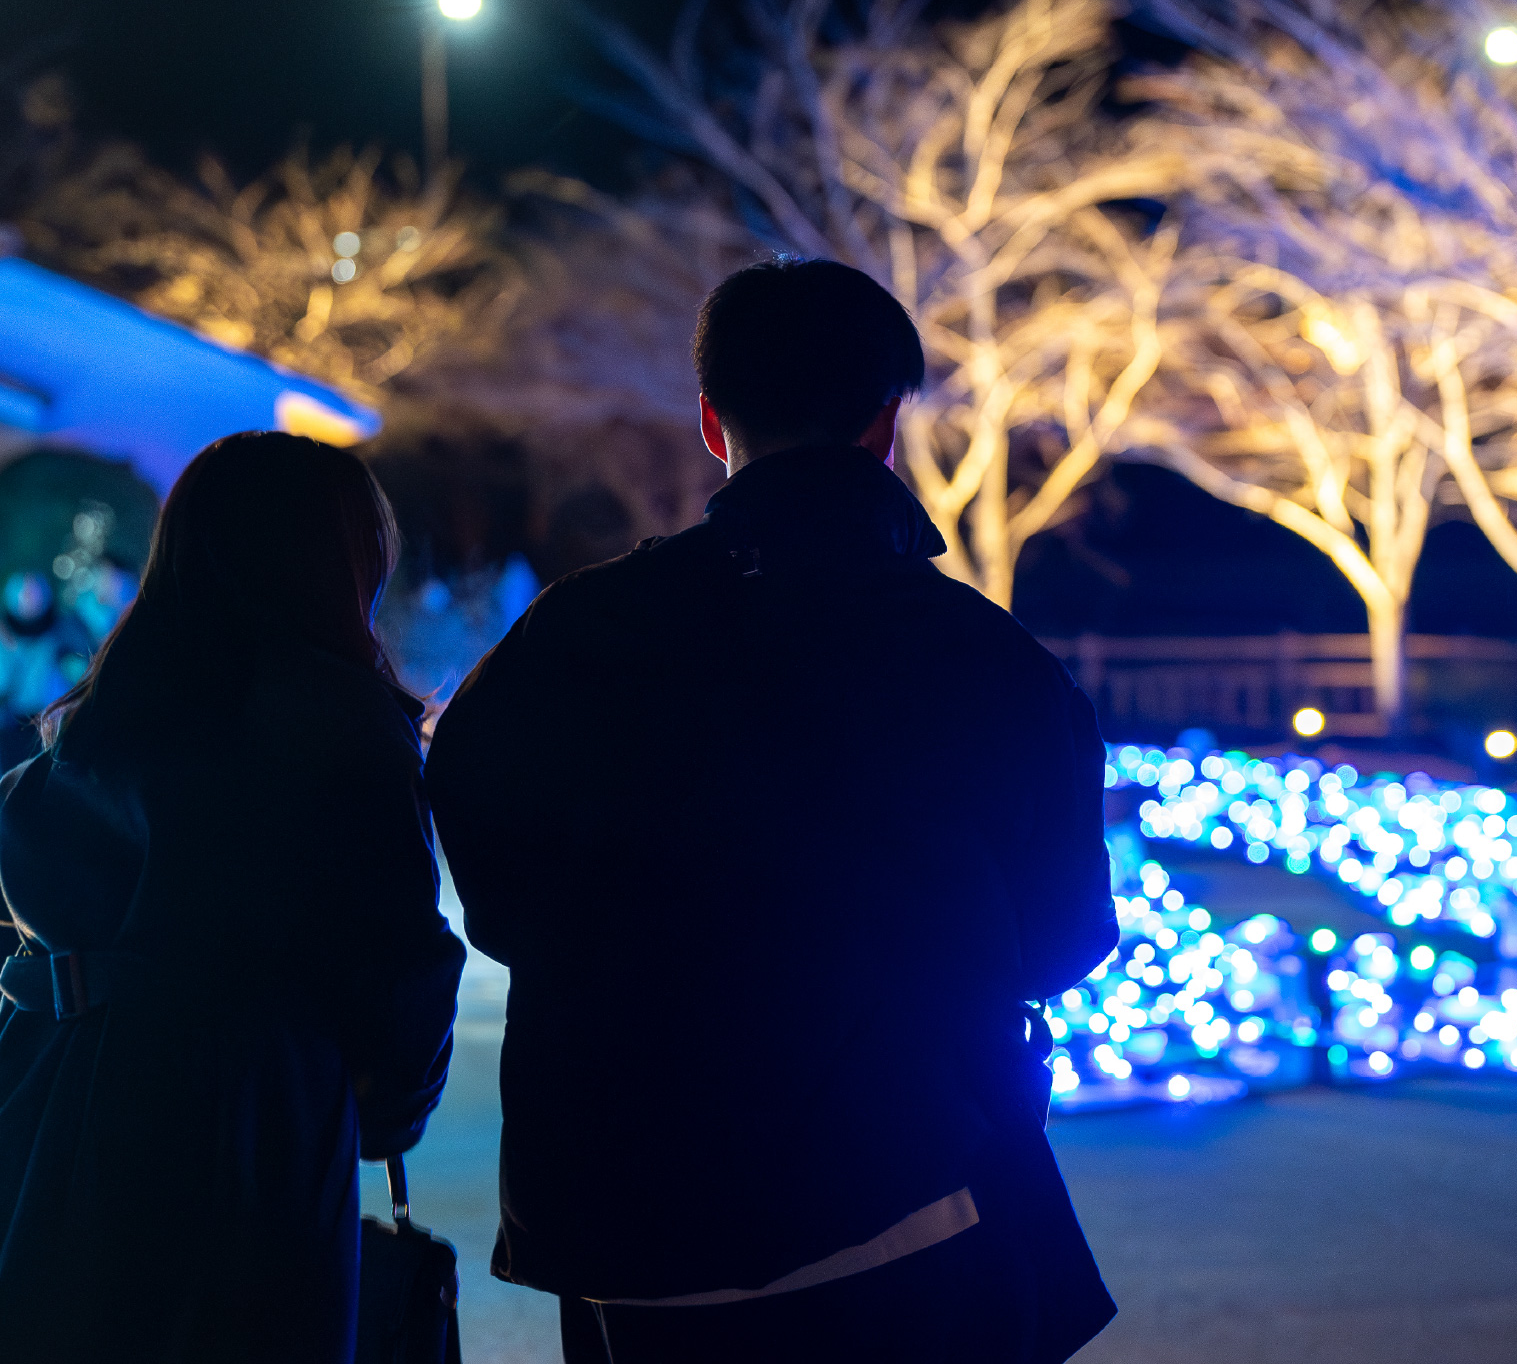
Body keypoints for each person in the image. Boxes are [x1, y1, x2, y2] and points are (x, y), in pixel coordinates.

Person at [426, 258, 1120, 1364]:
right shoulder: (984, 660)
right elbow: (1065, 937)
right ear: (884, 424)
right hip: (910, 1196)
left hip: (628, 1223)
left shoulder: (575, 636)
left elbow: (496, 888)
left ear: (713, 421)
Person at [0, 432, 466, 1361]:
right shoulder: (344, 730)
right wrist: (383, 1113)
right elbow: (401, 973)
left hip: (51, 1099)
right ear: (341, 563)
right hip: (248, 1131)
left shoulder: (96, 722)